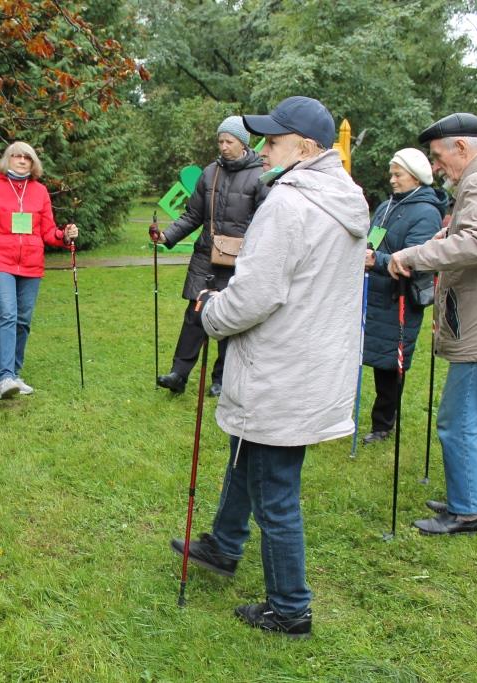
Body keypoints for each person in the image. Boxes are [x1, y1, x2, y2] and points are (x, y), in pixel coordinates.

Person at [169, 97, 369, 638]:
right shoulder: (347, 196)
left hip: (282, 365)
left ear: (305, 148)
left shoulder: (290, 203)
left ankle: (290, 607)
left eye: (273, 141)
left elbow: (257, 293)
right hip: (312, 362)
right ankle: (223, 545)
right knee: (245, 452)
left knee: (275, 489)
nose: (262, 149)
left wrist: (212, 312)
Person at [388, 113, 477, 535]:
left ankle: (467, 509)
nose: (436, 167)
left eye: (438, 156)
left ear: (461, 148)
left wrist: (414, 255)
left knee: (456, 418)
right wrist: (444, 238)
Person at [151, 116, 268, 397]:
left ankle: (222, 379)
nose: (223, 146)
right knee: (195, 314)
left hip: (241, 260)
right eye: (220, 140)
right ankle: (178, 374)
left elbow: (265, 219)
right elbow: (193, 214)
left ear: (243, 143)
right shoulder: (209, 172)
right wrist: (167, 236)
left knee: (229, 318)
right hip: (205, 255)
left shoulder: (261, 175)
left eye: (229, 141)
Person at [0, 141, 78, 399]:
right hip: (0, 261)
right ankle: (4, 377)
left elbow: (47, 231)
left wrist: (64, 236)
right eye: (16, 156)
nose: (22, 160)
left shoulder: (40, 192)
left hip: (31, 263)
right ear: (7, 160)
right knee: (7, 315)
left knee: (23, 320)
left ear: (33, 164)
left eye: (27, 158)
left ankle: (14, 374)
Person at [360, 149, 447, 445]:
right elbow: (371, 239)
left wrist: (377, 261)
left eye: (398, 174)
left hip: (397, 298)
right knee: (364, 355)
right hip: (371, 294)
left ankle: (382, 424)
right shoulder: (385, 206)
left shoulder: (426, 212)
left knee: (389, 364)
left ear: (416, 176)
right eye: (392, 174)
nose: (392, 180)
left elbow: (417, 259)